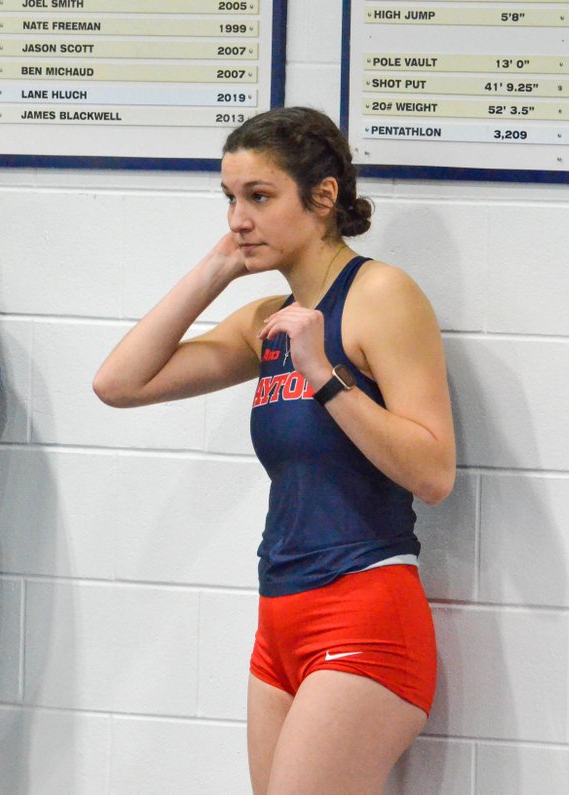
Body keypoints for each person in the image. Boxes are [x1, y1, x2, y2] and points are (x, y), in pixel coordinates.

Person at [93, 107, 455, 795]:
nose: (239, 219)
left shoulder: (381, 295)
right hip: (281, 613)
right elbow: (119, 383)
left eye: (259, 197)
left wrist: (325, 375)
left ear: (323, 197)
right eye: (230, 199)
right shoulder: (266, 320)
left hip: (364, 605)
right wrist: (217, 268)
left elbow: (434, 472)